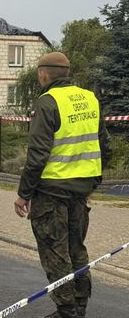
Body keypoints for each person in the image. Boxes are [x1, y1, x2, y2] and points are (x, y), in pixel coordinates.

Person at [13, 52, 112, 318]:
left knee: (55, 252)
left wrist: (24, 194)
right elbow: (105, 145)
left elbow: (37, 155)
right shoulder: (90, 99)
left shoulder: (48, 102)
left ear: (43, 74)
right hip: (81, 190)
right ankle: (80, 306)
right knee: (76, 248)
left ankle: (66, 310)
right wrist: (93, 180)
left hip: (51, 192)